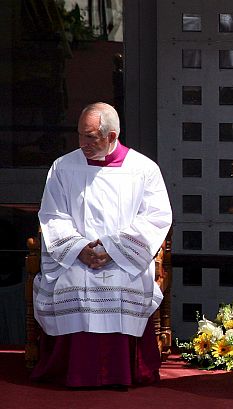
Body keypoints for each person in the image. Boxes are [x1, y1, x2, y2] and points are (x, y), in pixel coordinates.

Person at [32, 102, 172, 389]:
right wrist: (79, 249)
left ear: (112, 136)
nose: (84, 143)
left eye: (91, 137)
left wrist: (114, 250)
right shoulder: (63, 167)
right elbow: (52, 214)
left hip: (123, 258)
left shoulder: (143, 169)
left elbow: (156, 217)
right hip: (74, 256)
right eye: (81, 135)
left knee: (123, 283)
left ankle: (122, 373)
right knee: (71, 282)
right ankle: (71, 372)